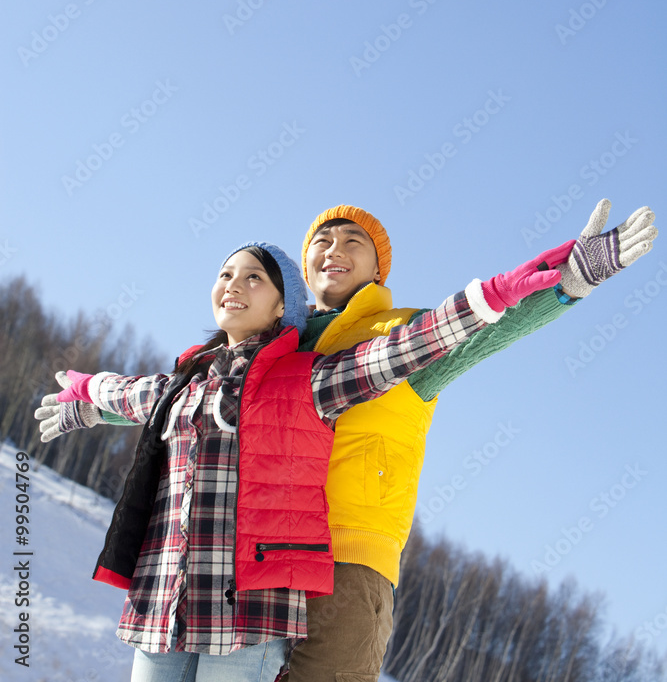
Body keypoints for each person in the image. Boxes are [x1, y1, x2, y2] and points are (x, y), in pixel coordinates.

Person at [38, 235, 576, 681]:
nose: (234, 285)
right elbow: (131, 395)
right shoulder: (185, 383)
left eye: (254, 278)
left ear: (282, 307)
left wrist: (525, 290)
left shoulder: (309, 377)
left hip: (258, 601)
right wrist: (83, 397)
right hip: (166, 600)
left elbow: (420, 344)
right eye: (226, 274)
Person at [284, 198, 657, 682]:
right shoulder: (280, 342)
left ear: (378, 269)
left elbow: (490, 326)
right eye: (322, 241)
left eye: (353, 242)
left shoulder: (405, 331)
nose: (335, 249)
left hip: (349, 559)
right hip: (258, 556)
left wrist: (567, 285)